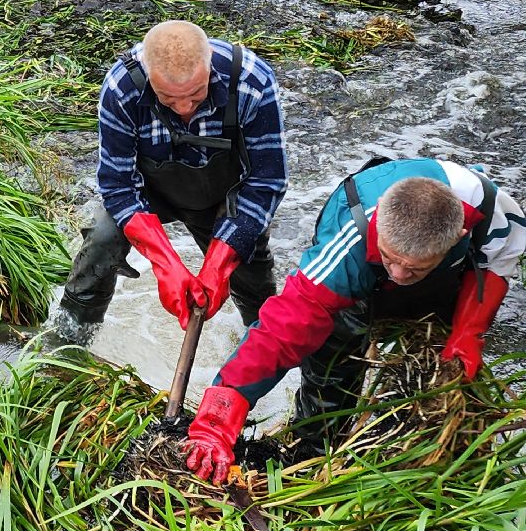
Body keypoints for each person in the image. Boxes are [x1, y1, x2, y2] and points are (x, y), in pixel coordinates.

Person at [183, 157, 526, 484]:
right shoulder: (349, 245)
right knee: (335, 353)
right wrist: (217, 419)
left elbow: (497, 262)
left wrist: (469, 333)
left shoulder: (490, 209)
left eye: (413, 268)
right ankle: (316, 449)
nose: (399, 273)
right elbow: (282, 329)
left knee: (440, 364)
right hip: (361, 253)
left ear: (460, 234)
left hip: (440, 270)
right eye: (392, 260)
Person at [57, 20, 286, 333]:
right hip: (151, 193)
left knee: (251, 278)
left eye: (196, 94)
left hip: (224, 196)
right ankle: (68, 338)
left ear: (208, 69)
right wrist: (167, 265)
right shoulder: (121, 87)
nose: (182, 108)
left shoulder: (251, 81)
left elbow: (265, 182)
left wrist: (218, 266)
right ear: (150, 75)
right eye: (167, 98)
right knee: (102, 240)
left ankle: (262, 348)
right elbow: (118, 185)